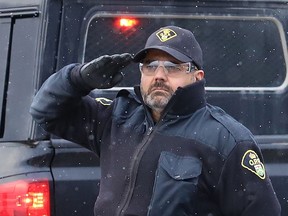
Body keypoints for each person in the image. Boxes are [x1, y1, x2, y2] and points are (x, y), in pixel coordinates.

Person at [30, 26, 281, 216]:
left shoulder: (226, 141)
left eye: (172, 67)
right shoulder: (117, 118)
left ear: (197, 76)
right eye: (150, 66)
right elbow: (46, 112)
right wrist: (78, 78)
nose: (159, 75)